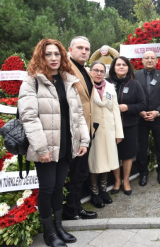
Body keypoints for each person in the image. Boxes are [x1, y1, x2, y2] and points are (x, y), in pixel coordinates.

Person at [19, 39, 90, 247]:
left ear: (62, 56)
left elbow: (78, 114)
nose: (53, 58)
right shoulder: (32, 81)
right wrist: (41, 148)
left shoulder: (68, 80)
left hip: (66, 145)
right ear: (41, 56)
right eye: (48, 54)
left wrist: (83, 140)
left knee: (59, 188)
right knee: (47, 189)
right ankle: (49, 232)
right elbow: (29, 117)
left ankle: (59, 227)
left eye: (56, 54)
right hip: (46, 146)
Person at [63, 36, 97, 220]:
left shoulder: (84, 70)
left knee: (81, 172)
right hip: (73, 130)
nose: (84, 51)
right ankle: (71, 210)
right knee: (75, 173)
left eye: (87, 49)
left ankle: (77, 207)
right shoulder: (65, 69)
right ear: (70, 49)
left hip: (86, 130)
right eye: (80, 48)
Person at [87, 61, 123, 207]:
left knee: (108, 161)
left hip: (109, 129)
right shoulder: (86, 87)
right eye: (96, 70)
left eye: (102, 71)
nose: (99, 73)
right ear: (90, 72)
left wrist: (118, 132)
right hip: (94, 130)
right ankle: (94, 193)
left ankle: (103, 191)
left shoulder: (110, 87)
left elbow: (115, 110)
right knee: (96, 162)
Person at [108, 56, 146, 194]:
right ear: (113, 67)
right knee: (114, 154)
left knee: (127, 154)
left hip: (129, 125)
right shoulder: (106, 83)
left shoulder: (134, 84)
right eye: (118, 65)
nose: (121, 67)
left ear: (128, 67)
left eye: (124, 65)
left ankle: (126, 181)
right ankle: (117, 181)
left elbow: (142, 104)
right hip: (110, 126)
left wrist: (128, 108)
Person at [135, 51, 160, 186]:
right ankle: (143, 174)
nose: (149, 60)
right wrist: (140, 112)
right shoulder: (135, 75)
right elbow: (133, 95)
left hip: (159, 119)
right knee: (141, 148)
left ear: (157, 61)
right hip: (141, 118)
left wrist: (158, 112)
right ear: (142, 61)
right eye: (146, 58)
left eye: (152, 58)